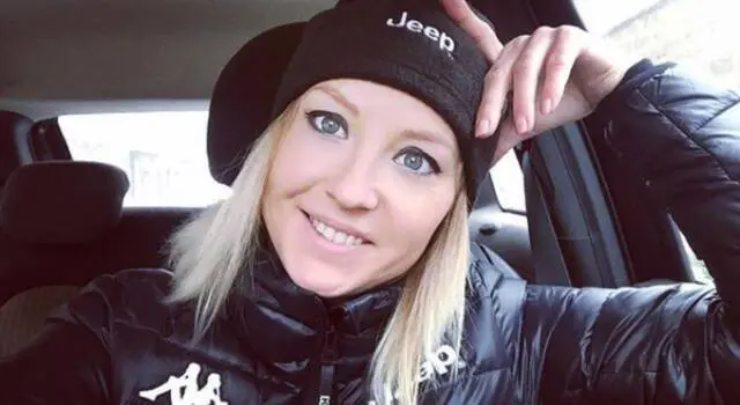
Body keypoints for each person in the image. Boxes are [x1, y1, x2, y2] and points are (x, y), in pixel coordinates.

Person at [1, 0, 738, 403]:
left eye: (417, 159)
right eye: (328, 124)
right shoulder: (120, 329)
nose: (353, 191)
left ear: (454, 201)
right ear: (269, 143)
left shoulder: (525, 339)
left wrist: (629, 92)